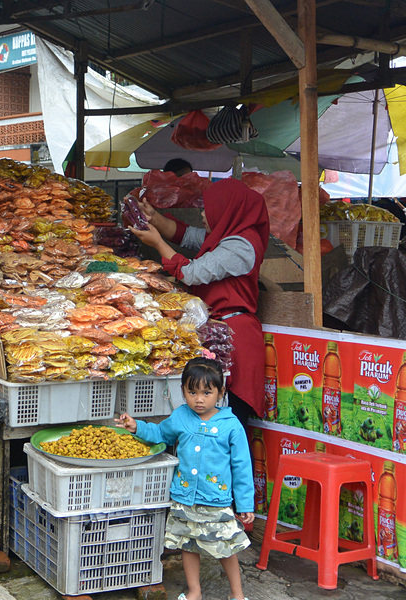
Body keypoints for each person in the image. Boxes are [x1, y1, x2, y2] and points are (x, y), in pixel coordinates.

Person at [128, 178, 269, 427]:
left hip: (237, 339)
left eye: (208, 208)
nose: (203, 214)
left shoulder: (241, 246)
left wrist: (158, 243)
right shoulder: (228, 234)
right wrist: (154, 217)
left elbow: (193, 272)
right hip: (219, 331)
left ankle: (234, 465)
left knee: (232, 418)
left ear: (227, 209)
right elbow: (187, 235)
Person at [115, 357, 254, 600]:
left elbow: (242, 466)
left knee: (225, 547)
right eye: (192, 392)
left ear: (220, 393)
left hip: (216, 499)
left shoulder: (231, 425)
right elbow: (160, 433)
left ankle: (238, 595)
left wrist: (245, 504)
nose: (199, 399)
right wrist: (137, 426)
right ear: (182, 391)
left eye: (206, 392)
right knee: (188, 544)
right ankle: (194, 592)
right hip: (185, 497)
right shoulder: (180, 416)